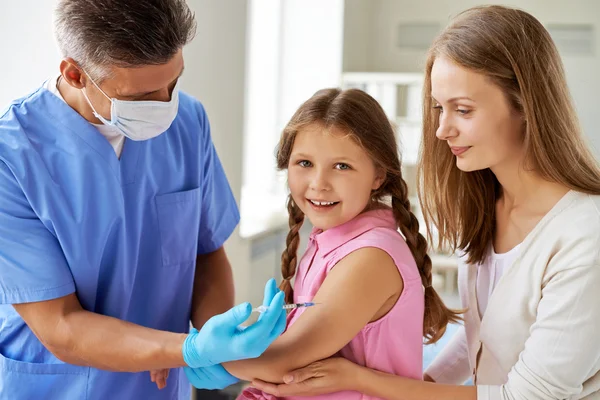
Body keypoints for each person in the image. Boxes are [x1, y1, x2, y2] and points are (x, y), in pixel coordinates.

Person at [250, 5, 600, 400]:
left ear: (525, 104)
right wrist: (415, 386)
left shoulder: (584, 237)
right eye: (439, 108)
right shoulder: (490, 207)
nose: (441, 129)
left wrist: (362, 379)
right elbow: (478, 339)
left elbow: (530, 397)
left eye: (463, 110)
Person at [0, 1, 286, 399]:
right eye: (143, 95)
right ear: (76, 74)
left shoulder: (188, 121)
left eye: (174, 82)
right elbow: (61, 324)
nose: (166, 104)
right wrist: (187, 350)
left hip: (162, 385)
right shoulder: (11, 157)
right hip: (61, 386)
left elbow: (206, 253)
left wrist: (216, 340)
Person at [219, 87, 461, 399]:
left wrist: (188, 352)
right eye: (304, 163)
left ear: (378, 176)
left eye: (342, 166)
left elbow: (285, 363)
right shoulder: (329, 241)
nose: (319, 183)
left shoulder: (371, 258)